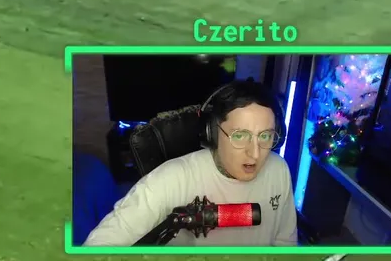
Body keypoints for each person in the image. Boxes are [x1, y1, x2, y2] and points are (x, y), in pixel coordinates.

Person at [83, 80, 297, 247]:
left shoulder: (278, 170)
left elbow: (285, 243)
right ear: (212, 133)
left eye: (265, 136)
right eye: (240, 136)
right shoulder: (171, 179)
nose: (255, 153)